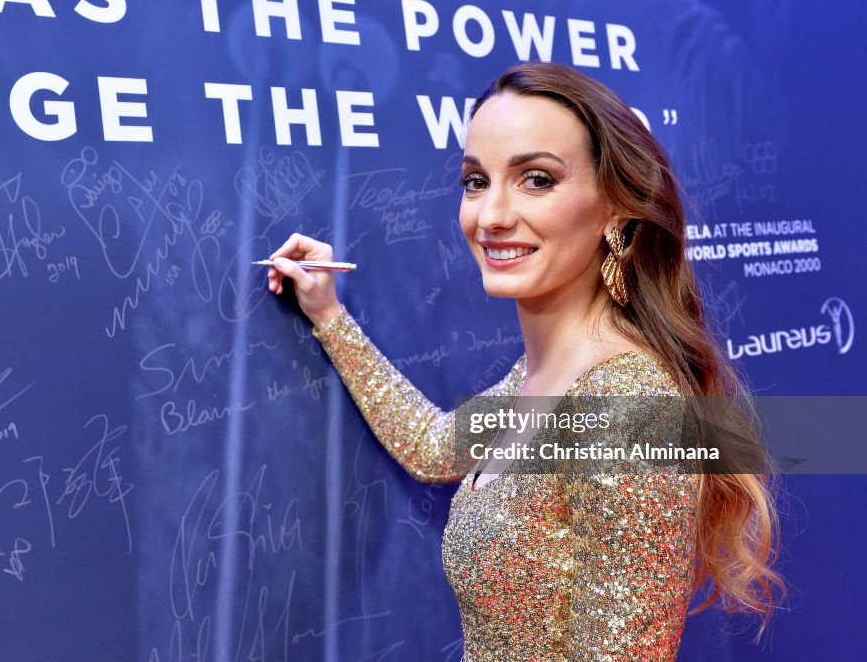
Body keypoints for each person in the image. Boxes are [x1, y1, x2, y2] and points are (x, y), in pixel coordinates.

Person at [264, 62, 784, 660]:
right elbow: (434, 445)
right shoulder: (541, 378)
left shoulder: (625, 410)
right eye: (475, 181)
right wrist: (329, 316)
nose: (491, 216)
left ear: (616, 207)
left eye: (536, 179)